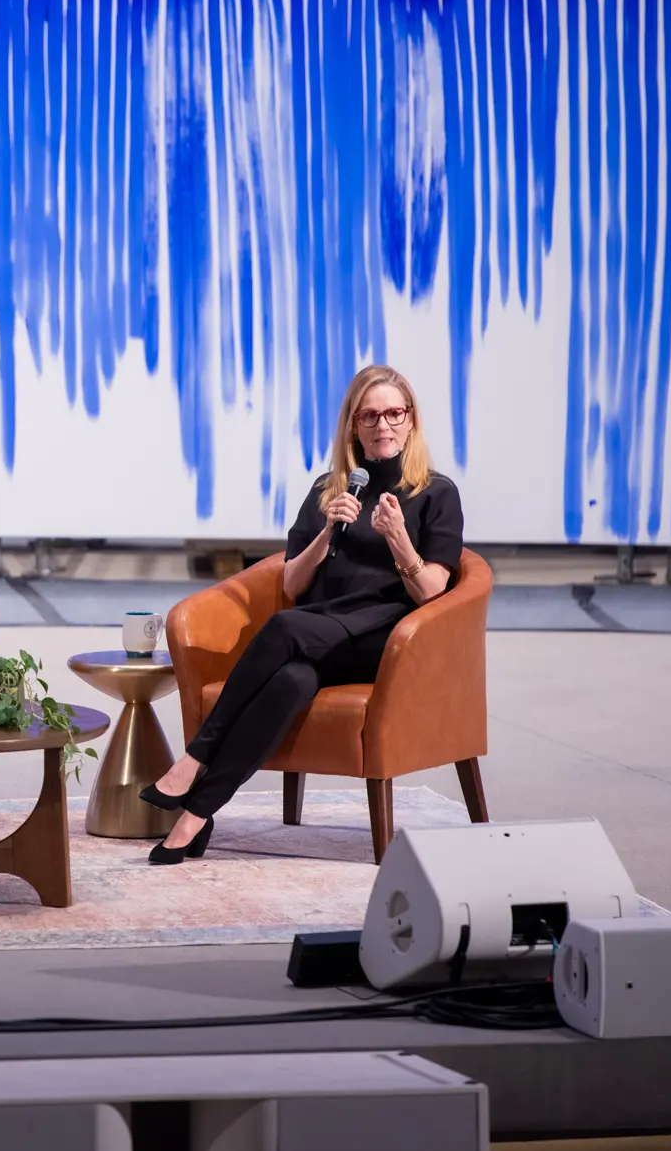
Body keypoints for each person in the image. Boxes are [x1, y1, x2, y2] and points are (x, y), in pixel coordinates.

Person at [142, 364, 465, 865]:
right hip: (320, 635)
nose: (384, 425)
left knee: (285, 627)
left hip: (388, 641)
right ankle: (196, 816)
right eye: (370, 415)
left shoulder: (436, 493)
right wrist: (326, 531)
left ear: (411, 420)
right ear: (353, 426)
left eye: (394, 414)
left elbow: (431, 592)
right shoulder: (330, 489)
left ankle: (195, 757)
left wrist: (399, 538)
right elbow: (292, 583)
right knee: (290, 680)